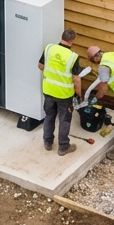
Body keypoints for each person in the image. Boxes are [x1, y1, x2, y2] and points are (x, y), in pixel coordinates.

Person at [37, 28, 82, 156]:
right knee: (64, 120)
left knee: (49, 116)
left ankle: (47, 142)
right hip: (64, 95)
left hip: (48, 91)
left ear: (61, 37)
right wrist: (79, 94)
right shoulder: (73, 57)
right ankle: (63, 147)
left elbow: (40, 66)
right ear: (72, 41)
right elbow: (76, 79)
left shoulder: (49, 48)